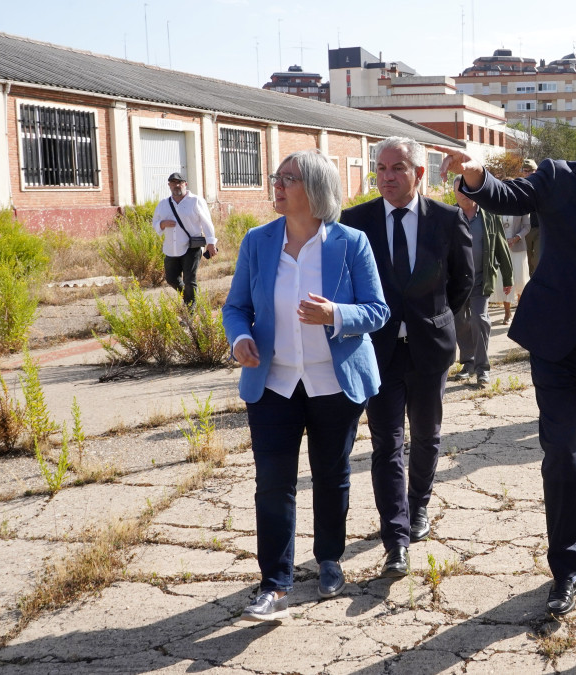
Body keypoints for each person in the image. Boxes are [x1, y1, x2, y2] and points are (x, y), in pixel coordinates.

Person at [437, 103, 576, 617]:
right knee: (563, 453)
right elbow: (507, 193)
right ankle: (564, 569)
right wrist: (476, 178)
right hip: (557, 343)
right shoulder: (558, 178)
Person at [222, 150, 389, 621]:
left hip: (332, 382)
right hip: (273, 383)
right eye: (276, 177)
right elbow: (235, 307)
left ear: (314, 189)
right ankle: (274, 583)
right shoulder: (257, 242)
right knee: (273, 483)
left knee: (331, 475)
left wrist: (335, 313)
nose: (277, 185)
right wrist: (240, 338)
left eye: (288, 178)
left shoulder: (351, 243)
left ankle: (330, 559)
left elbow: (377, 310)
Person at [340, 137, 473, 578]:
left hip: (428, 349)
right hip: (376, 350)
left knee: (427, 436)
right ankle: (395, 538)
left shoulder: (448, 220)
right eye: (380, 169)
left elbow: (462, 284)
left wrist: (429, 320)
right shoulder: (356, 222)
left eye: (397, 169)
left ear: (419, 173)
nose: (386, 177)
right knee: (386, 443)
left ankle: (418, 506)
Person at [450, 176, 513, 387]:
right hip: (456, 283)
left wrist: (508, 276)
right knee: (460, 323)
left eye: (466, 190)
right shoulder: (448, 216)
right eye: (459, 191)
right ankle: (467, 364)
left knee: (479, 319)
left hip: (481, 279)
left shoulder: (488, 216)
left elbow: (502, 246)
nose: (462, 195)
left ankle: (482, 369)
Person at [153, 172, 217, 306]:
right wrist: (162, 224)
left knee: (189, 280)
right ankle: (188, 298)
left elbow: (207, 222)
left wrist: (211, 243)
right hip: (171, 248)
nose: (176, 185)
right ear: (169, 185)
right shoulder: (164, 204)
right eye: (173, 183)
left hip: (191, 247)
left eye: (179, 183)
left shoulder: (196, 201)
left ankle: (190, 311)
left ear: (185, 184)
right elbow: (155, 223)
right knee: (171, 279)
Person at [493, 211, 530, 325]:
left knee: (520, 280)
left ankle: (520, 312)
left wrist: (515, 238)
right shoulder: (499, 204)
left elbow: (527, 227)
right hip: (501, 248)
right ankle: (507, 313)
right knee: (504, 280)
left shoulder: (522, 205)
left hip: (518, 247)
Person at [520, 159, 543, 274]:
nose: (528, 173)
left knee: (538, 259)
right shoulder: (520, 187)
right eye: (525, 171)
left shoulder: (543, 186)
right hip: (525, 229)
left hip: (540, 227)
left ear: (536, 171)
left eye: (531, 171)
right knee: (526, 260)